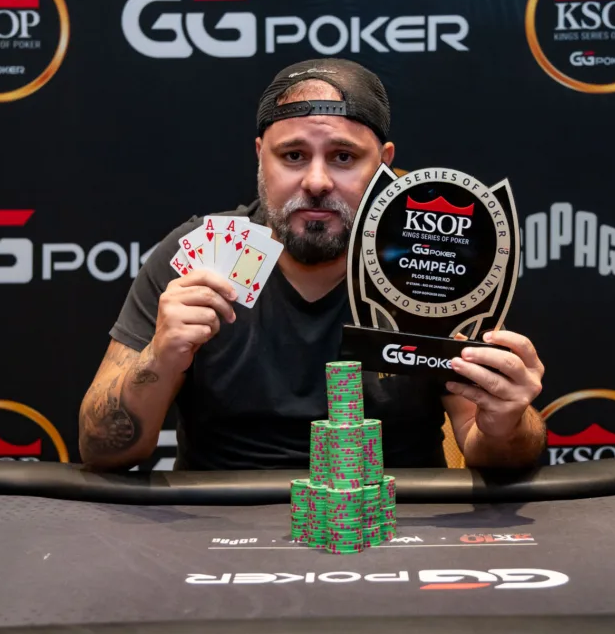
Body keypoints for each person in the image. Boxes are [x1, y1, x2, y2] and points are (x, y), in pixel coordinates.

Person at [78, 58, 546, 471]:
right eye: (293, 156)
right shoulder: (195, 258)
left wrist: (505, 422)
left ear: (384, 166)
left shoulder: (430, 263)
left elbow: (492, 448)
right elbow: (102, 449)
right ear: (261, 157)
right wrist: (160, 358)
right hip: (213, 521)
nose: (317, 181)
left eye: (343, 157)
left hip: (394, 519)